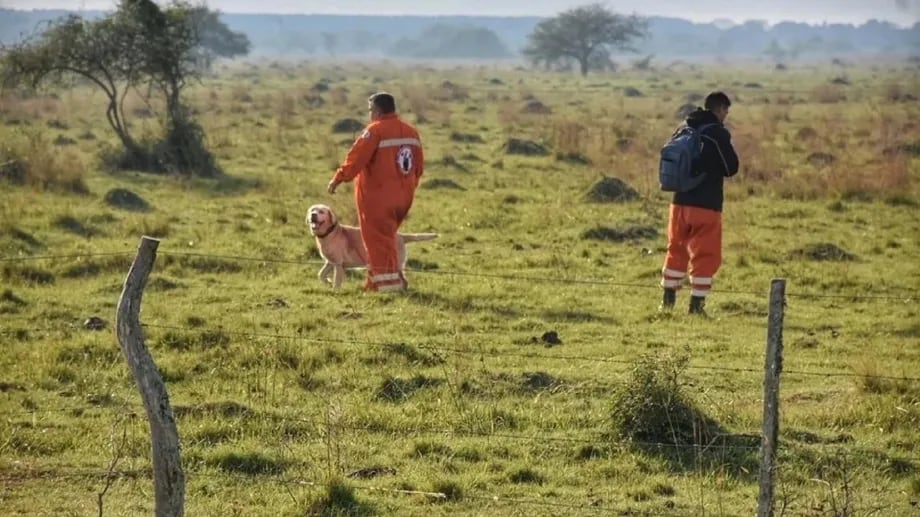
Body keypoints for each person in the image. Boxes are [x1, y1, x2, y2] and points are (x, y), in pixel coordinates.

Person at [327, 92, 424, 292]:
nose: (370, 114)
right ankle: (382, 280)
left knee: (376, 240)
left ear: (378, 111)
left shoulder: (374, 131)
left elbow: (355, 159)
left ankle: (385, 286)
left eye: (371, 110)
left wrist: (338, 178)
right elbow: (418, 167)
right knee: (387, 239)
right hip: (404, 198)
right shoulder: (411, 132)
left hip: (378, 199)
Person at [660, 91, 740, 315]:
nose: (726, 115)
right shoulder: (716, 133)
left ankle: (667, 302)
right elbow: (731, 168)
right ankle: (697, 307)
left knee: (675, 249)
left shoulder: (685, 126)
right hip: (706, 204)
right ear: (721, 109)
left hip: (679, 202)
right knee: (706, 253)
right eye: (726, 111)